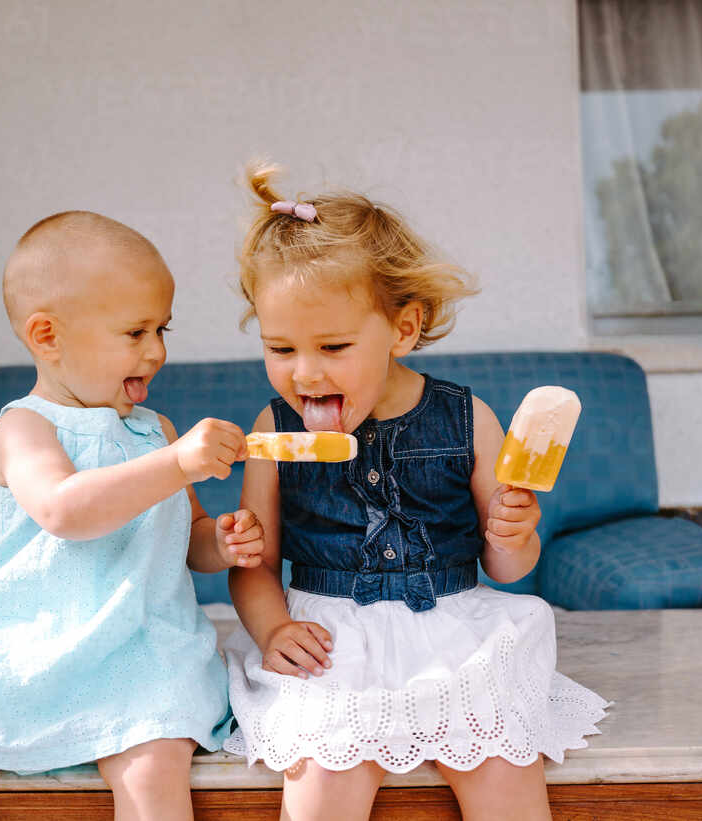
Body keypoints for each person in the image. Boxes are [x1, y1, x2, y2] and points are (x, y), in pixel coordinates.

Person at [222, 164, 610, 821]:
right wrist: (272, 628)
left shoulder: (468, 418)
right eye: (280, 347)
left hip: (455, 632)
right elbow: (253, 565)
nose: (305, 371)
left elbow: (509, 568)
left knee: (504, 774)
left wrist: (515, 533)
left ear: (402, 329)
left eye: (333, 345)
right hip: (329, 638)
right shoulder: (273, 429)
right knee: (320, 787)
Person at [0, 211, 264, 821]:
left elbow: (186, 539)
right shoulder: (22, 427)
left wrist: (218, 542)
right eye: (135, 332)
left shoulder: (154, 431)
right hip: (24, 643)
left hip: (139, 650)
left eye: (162, 330)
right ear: (47, 336)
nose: (157, 351)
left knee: (152, 774)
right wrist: (178, 463)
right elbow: (65, 509)